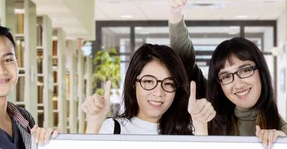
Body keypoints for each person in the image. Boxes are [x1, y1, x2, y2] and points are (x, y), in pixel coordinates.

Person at [167, 0, 287, 148]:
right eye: (226, 76)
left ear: (261, 71)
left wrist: (284, 144)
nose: (238, 83)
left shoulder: (283, 132)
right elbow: (184, 62)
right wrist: (175, 14)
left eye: (245, 70)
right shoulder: (212, 112)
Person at [82, 43, 215, 135]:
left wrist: (201, 125)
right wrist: (94, 123)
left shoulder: (189, 133)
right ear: (134, 83)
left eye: (168, 83)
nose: (158, 93)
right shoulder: (112, 128)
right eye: (148, 81)